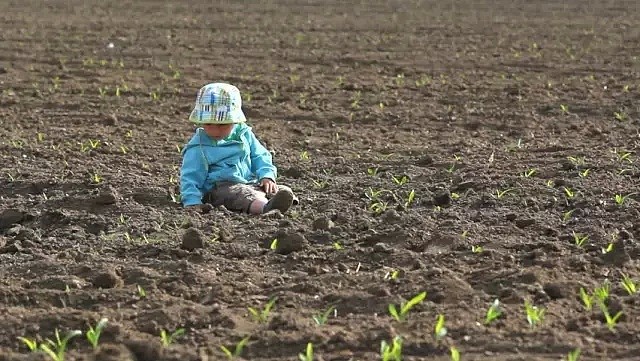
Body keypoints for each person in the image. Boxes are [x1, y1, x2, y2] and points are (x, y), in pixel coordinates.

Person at [179, 82, 298, 215]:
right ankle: (266, 208)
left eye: (222, 125)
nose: (215, 130)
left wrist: (267, 176)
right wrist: (192, 202)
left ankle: (277, 202)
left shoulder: (244, 134)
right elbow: (190, 177)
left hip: (250, 182)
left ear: (235, 121)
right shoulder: (199, 147)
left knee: (280, 189)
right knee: (243, 194)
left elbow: (259, 155)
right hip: (220, 189)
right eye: (209, 124)